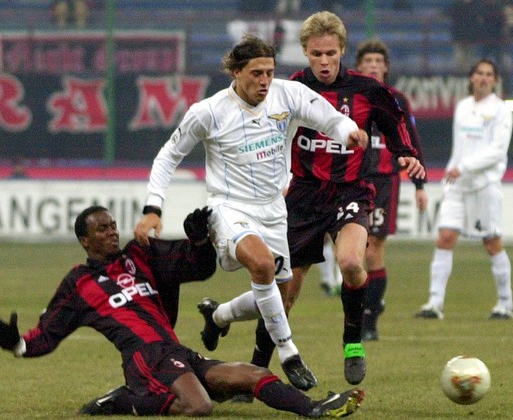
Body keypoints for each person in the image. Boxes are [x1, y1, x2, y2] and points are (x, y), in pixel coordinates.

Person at [134, 34, 368, 392]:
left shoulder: (287, 94)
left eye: (269, 72)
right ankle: (289, 353)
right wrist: (153, 207)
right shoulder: (209, 111)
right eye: (256, 73)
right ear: (236, 71)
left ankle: (218, 315)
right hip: (229, 207)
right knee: (261, 266)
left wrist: (349, 133)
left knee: (279, 294)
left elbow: (330, 119)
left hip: (275, 209)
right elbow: (168, 156)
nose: (264, 81)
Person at [0, 205, 365, 419]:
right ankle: (122, 401)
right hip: (144, 359)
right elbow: (48, 334)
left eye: (113, 225)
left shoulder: (141, 255)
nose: (112, 232)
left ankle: (313, 408)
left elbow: (195, 266)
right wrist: (18, 345)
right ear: (83, 240)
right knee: (199, 406)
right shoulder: (78, 284)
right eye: (101, 229)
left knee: (254, 374)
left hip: (175, 351)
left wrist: (197, 240)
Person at [234, 12, 424, 397]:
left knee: (353, 262)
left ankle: (353, 342)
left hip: (351, 191)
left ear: (342, 52)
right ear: (305, 51)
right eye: (316, 53)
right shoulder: (288, 88)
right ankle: (256, 370)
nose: (324, 61)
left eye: (331, 53)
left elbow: (396, 122)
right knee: (283, 290)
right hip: (303, 195)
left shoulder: (368, 91)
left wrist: (406, 154)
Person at [415, 59, 513, 321]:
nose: (483, 78)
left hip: (484, 185)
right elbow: (459, 148)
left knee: (492, 242)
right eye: (479, 73)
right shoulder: (462, 107)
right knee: (445, 237)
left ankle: (506, 304)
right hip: (458, 184)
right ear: (471, 78)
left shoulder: (501, 110)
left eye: (489, 74)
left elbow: (497, 151)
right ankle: (434, 304)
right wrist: (452, 171)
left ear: (494, 80)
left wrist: (465, 167)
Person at [354, 38, 428, 341]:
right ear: (359, 67)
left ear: (385, 67)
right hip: (354, 180)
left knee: (373, 251)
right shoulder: (350, 96)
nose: (373, 66)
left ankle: (369, 320)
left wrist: (420, 185)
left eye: (378, 62)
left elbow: (410, 140)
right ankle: (366, 307)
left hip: (385, 181)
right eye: (368, 61)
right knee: (353, 252)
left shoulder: (396, 99)